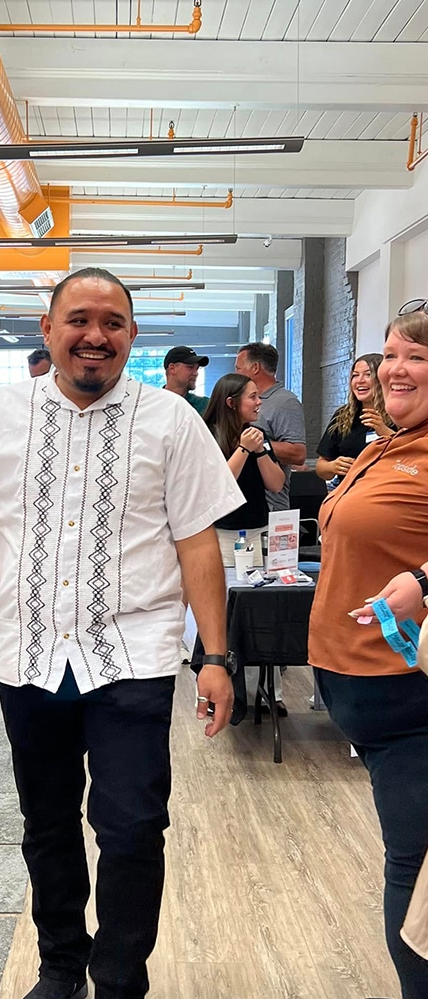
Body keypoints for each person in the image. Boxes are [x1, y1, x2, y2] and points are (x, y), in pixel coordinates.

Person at [0, 268, 244, 999]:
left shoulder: (171, 420)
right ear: (47, 328)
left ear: (132, 335)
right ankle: (61, 965)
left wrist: (214, 655)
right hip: (29, 656)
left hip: (133, 657)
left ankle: (119, 978)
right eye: (80, 319)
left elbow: (197, 544)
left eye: (113, 322)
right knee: (47, 822)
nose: (96, 335)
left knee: (130, 827)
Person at [311, 304, 428, 999]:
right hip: (365, 691)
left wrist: (423, 580)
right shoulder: (389, 442)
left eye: (416, 354)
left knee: (412, 880)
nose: (396, 367)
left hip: (410, 696)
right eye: (390, 353)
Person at [204, 373, 285, 567]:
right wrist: (244, 449)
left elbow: (276, 484)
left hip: (259, 530)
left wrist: (259, 451)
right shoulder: (206, 434)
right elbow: (220, 485)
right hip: (221, 533)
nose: (259, 402)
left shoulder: (257, 434)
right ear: (231, 403)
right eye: (252, 397)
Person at [234, 342, 306, 510]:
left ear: (255, 368)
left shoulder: (284, 402)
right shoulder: (239, 401)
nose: (236, 374)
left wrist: (254, 442)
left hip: (271, 506)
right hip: (242, 506)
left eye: (238, 369)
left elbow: (298, 454)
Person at [315, 353, 394, 483]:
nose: (360, 380)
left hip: (385, 491)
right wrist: (333, 466)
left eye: (368, 375)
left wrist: (385, 431)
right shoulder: (343, 415)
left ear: (382, 379)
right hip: (349, 491)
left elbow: (412, 456)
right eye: (355, 375)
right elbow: (321, 467)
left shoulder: (398, 413)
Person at [163, 345, 210, 415]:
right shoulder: (154, 403)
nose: (195, 373)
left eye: (197, 369)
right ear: (172, 368)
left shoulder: (205, 406)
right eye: (190, 367)